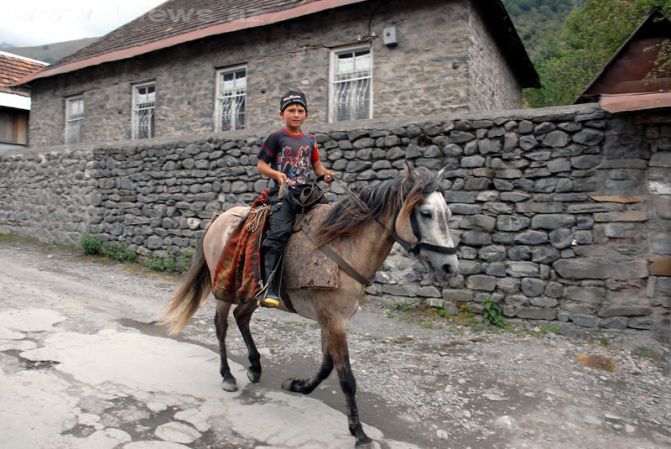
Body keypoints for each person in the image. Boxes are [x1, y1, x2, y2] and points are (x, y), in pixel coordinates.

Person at [256, 90, 334, 303]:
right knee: (278, 234)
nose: (296, 114)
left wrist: (325, 174)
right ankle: (270, 287)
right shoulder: (276, 137)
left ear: (306, 115)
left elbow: (316, 165)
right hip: (284, 194)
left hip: (307, 193)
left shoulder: (310, 139)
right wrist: (276, 174)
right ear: (282, 113)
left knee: (334, 218)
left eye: (300, 110)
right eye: (291, 110)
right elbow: (261, 165)